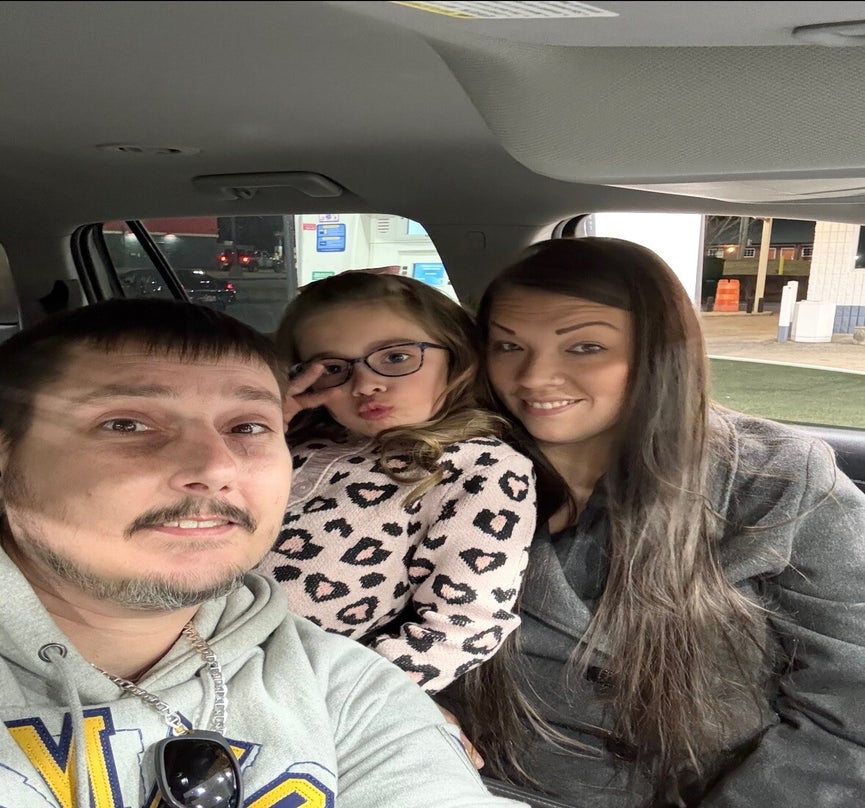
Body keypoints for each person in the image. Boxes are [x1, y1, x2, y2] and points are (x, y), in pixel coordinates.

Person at [0, 298, 530, 808]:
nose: (217, 468)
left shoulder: (347, 690)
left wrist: (411, 695)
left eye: (247, 427)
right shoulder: (318, 450)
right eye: (126, 424)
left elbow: (467, 618)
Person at [442, 237, 865, 807]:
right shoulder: (450, 472)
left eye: (585, 347)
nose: (534, 376)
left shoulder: (774, 478)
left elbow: (851, 699)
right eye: (509, 345)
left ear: (658, 352)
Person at [257, 271, 536, 697]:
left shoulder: (480, 466)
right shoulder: (299, 439)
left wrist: (338, 705)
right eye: (333, 369)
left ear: (456, 355)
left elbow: (465, 625)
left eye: (396, 357)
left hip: (281, 685)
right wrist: (264, 421)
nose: (365, 384)